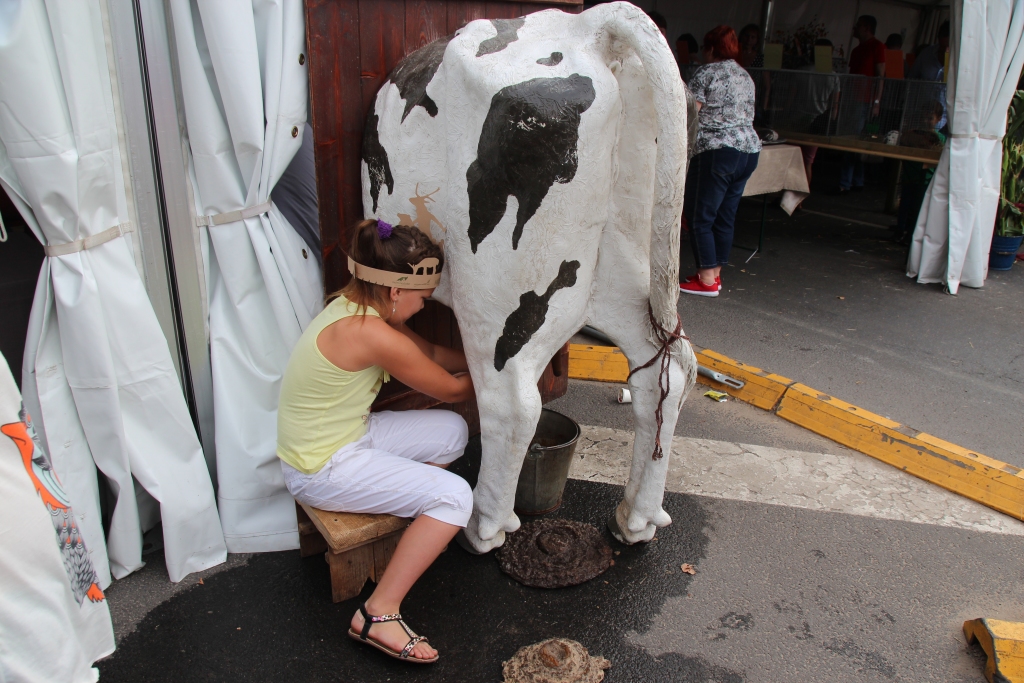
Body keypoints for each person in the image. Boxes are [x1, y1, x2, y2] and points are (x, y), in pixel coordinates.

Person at [276, 219, 475, 664]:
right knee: (455, 496)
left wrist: (487, 359)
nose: (424, 307)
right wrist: (508, 373)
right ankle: (376, 614)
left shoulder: (359, 305)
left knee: (452, 431)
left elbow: (433, 356)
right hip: (320, 467)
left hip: (349, 435)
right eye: (423, 298)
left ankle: (418, 516)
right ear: (395, 291)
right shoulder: (370, 334)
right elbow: (453, 388)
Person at [680, 25, 761, 297]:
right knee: (725, 216)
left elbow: (691, 112)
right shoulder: (745, 75)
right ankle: (714, 274)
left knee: (699, 215)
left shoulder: (705, 73)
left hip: (716, 151)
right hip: (748, 150)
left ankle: (705, 281)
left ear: (711, 48)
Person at [837, 15, 886, 194]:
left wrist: (876, 101)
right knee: (855, 140)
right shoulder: (857, 50)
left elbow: (881, 75)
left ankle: (846, 182)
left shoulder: (877, 47)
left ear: (866, 28)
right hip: (854, 100)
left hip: (865, 101)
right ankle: (855, 181)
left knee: (853, 141)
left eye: (858, 26)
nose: (854, 29)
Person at [892, 101, 946, 245]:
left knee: (918, 209)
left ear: (938, 119)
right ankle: (900, 230)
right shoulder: (912, 134)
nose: (925, 121)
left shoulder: (939, 139)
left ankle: (911, 234)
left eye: (930, 118)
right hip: (909, 177)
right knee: (905, 206)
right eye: (924, 117)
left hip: (926, 180)